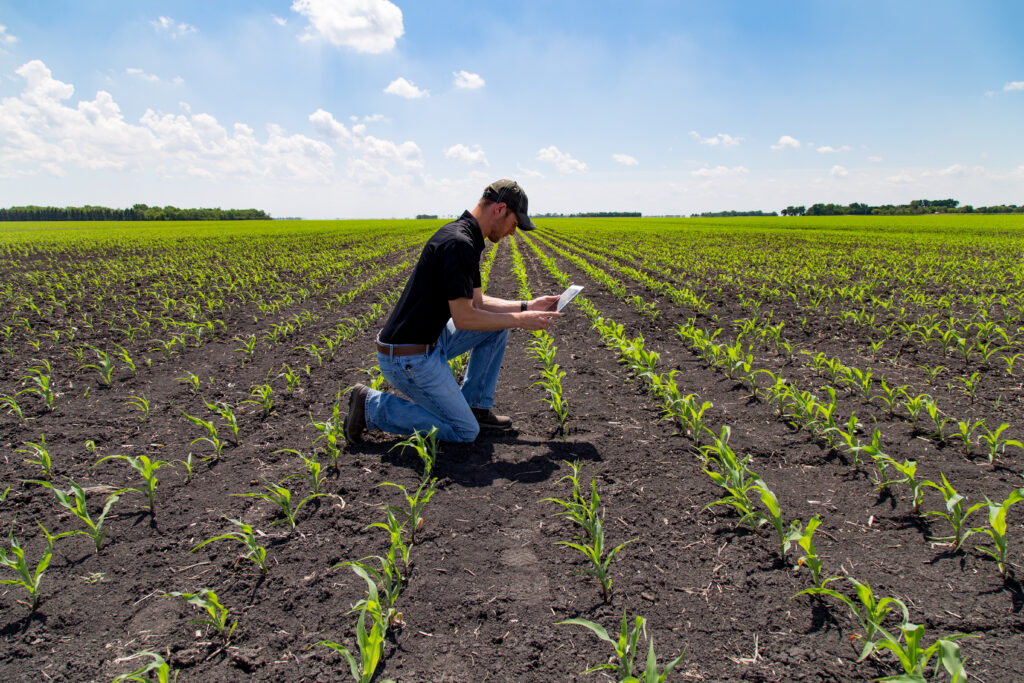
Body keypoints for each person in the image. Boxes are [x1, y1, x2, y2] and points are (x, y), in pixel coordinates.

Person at [345, 179, 562, 444]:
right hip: (408, 358)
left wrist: (528, 306)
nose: (513, 232)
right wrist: (520, 320)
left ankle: (475, 406)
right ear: (500, 209)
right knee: (464, 431)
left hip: (427, 340)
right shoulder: (459, 243)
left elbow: (477, 303)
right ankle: (371, 406)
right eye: (514, 223)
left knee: (497, 326)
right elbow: (464, 317)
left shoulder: (466, 237)